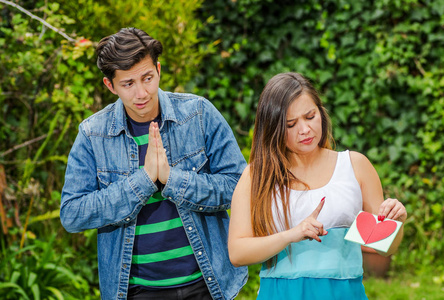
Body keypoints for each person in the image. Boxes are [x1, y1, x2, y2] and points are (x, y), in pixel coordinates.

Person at [60, 27, 248, 300]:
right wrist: (144, 181)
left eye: (148, 78)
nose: (142, 93)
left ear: (158, 70)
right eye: (128, 84)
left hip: (208, 283)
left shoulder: (198, 113)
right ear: (109, 85)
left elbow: (239, 186)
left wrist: (172, 179)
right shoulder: (92, 135)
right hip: (137, 290)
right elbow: (72, 214)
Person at [228, 72, 407, 299]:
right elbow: (237, 252)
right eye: (291, 124)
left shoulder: (355, 166)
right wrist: (291, 235)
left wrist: (396, 223)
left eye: (310, 116)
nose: (305, 130)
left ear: (321, 113)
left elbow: (384, 247)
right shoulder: (257, 175)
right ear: (273, 128)